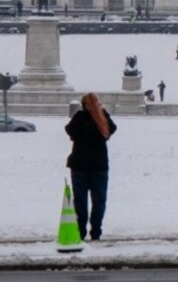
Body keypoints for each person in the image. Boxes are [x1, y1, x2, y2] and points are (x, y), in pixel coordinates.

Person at [65, 92, 115, 242]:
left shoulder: (79, 117)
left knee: (80, 201)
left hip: (80, 165)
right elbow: (112, 129)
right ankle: (96, 231)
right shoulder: (103, 117)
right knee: (99, 200)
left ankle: (80, 231)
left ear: (83, 104)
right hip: (99, 165)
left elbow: (69, 131)